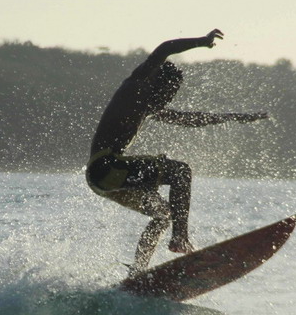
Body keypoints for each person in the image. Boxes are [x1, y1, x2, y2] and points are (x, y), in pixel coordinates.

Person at [86, 29, 268, 275]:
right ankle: (180, 239)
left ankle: (137, 272)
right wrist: (202, 42)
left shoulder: (149, 105)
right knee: (180, 172)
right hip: (106, 167)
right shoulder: (135, 88)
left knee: (163, 214)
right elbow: (164, 49)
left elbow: (190, 119)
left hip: (103, 179)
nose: (168, 99)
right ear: (156, 84)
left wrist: (233, 117)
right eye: (168, 93)